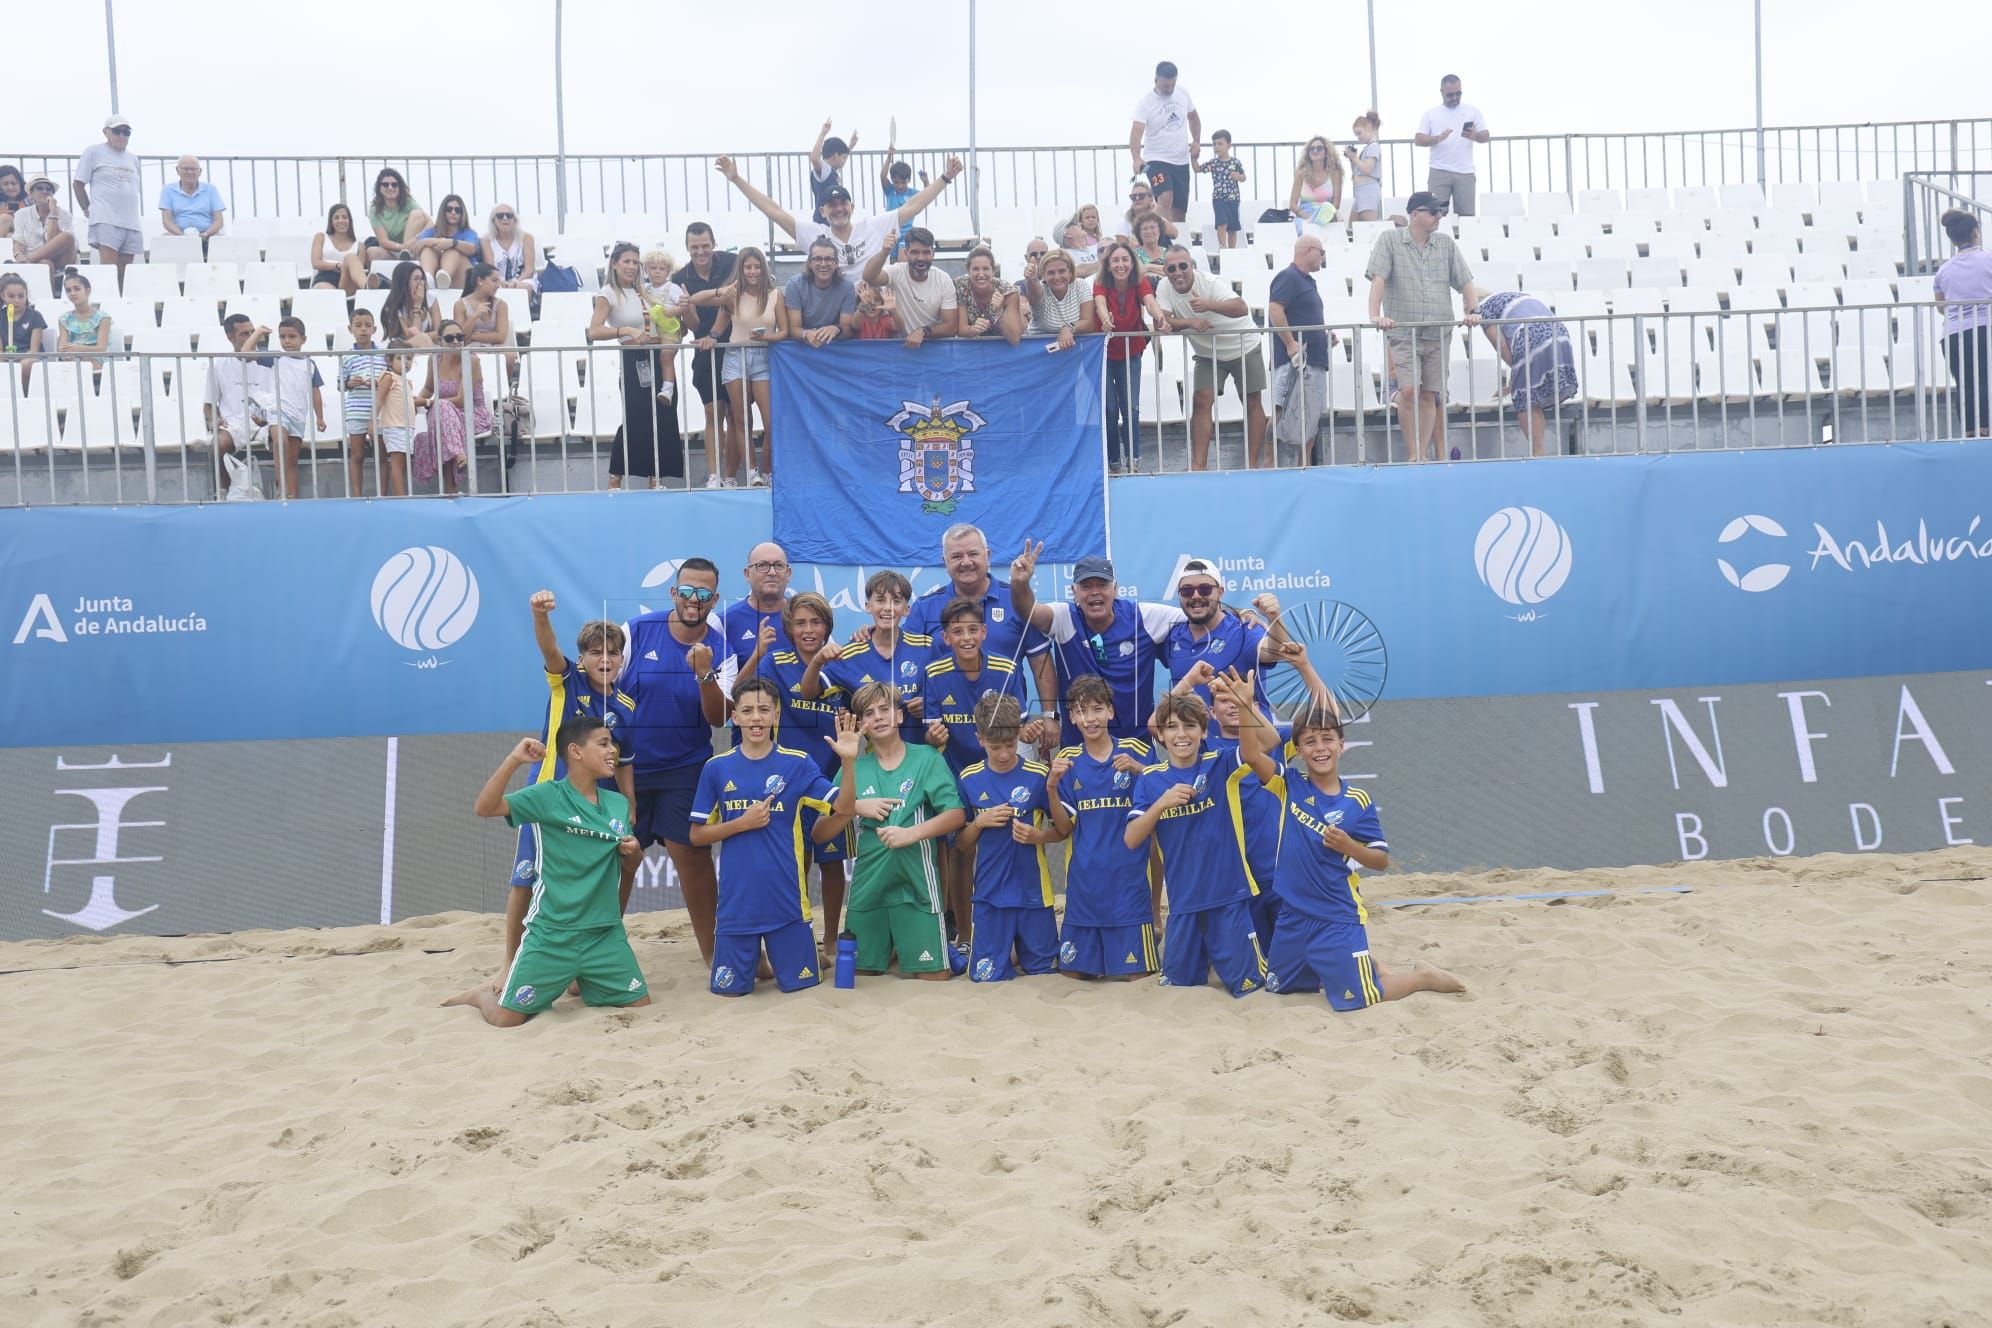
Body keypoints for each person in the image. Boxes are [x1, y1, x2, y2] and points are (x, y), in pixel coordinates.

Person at [1238, 699, 1465, 1009]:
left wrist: (1350, 847)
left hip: (1336, 917)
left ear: (1341, 745)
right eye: (1310, 741)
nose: (1320, 747)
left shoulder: (1357, 801)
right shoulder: (1289, 784)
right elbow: (1251, 754)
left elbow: (1381, 860)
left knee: (1358, 998)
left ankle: (1422, 977)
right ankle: (1360, 963)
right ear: (1299, 751)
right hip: (1293, 915)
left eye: (1328, 738)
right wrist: (1243, 704)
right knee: (1278, 988)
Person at [441, 718, 651, 1026]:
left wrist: (634, 851)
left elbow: (630, 866)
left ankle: (580, 977)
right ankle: (481, 995)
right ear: (575, 752)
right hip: (553, 933)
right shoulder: (546, 795)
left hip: (604, 934)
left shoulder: (618, 803)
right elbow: (484, 808)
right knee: (505, 1019)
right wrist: (514, 759)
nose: (613, 751)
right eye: (604, 743)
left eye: (613, 744)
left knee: (641, 1006)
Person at [490, 591, 642, 992]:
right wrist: (539, 616)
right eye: (596, 653)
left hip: (594, 808)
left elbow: (625, 764)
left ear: (622, 659)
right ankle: (510, 961)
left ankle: (585, 964)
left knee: (591, 883)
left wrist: (631, 806)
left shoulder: (626, 705)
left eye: (613, 653)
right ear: (582, 659)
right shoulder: (566, 681)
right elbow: (548, 645)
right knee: (525, 879)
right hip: (548, 797)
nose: (605, 660)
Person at [690, 680, 861, 996]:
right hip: (735, 908)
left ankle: (780, 959)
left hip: (788, 907)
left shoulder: (797, 763)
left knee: (798, 988)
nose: (756, 718)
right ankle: (761, 962)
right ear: (735, 717)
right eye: (748, 711)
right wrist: (741, 823)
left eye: (764, 710)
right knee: (730, 993)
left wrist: (849, 762)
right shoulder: (716, 768)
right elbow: (697, 836)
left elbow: (846, 807)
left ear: (776, 715)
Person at [1122, 680, 1270, 997]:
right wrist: (1161, 803)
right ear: (1160, 734)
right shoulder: (1150, 779)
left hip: (1228, 897)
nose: (1181, 734)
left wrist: (1245, 707)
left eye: (1190, 726)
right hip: (1183, 905)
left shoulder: (1220, 763)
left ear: (1203, 732)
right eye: (1172, 727)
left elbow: (1252, 751)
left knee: (1249, 989)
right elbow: (1132, 839)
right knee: (1178, 987)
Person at [621, 556, 735, 966]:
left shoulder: (721, 647)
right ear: (674, 592)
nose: (693, 599)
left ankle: (716, 955)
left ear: (714, 599)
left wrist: (704, 674)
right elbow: (603, 689)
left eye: (703, 594)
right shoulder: (634, 632)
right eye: (686, 591)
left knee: (691, 855)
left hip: (685, 767)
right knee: (619, 858)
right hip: (626, 767)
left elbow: (720, 717)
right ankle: (596, 954)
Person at [842, 681, 967, 980]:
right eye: (869, 713)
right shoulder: (856, 767)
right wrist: (857, 806)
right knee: (860, 973)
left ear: (899, 716)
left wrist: (911, 833)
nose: (879, 717)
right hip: (868, 889)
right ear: (861, 725)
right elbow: (826, 820)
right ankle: (893, 945)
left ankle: (908, 942)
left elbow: (956, 815)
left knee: (934, 977)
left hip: (917, 888)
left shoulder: (927, 757)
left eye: (885, 709)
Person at [753, 591, 855, 949]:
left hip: (830, 779)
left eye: (816, 622)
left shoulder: (845, 663)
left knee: (832, 863)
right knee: (796, 863)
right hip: (788, 782)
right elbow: (753, 700)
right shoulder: (775, 662)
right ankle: (797, 934)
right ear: (789, 628)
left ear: (827, 625)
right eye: (800, 623)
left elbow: (869, 699)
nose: (808, 630)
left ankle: (829, 939)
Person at [1008, 547, 1186, 748]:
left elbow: (1197, 614)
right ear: (1074, 591)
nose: (1094, 592)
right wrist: (1020, 583)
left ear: (1115, 588)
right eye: (1086, 586)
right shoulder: (1065, 617)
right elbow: (1029, 611)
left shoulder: (1142, 617)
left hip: (1136, 747)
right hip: (1079, 749)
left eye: (1102, 584)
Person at [903, 522, 1059, 749]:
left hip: (1009, 731)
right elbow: (904, 657)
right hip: (949, 735)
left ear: (988, 556)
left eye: (973, 554)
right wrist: (917, 696)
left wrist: (1049, 714)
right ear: (945, 562)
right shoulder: (925, 608)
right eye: (956, 556)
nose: (966, 562)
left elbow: (1040, 660)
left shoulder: (1018, 600)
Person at [1046, 676, 1158, 980]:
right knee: (1073, 975)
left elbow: (1166, 796)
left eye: (1096, 709)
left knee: (1139, 977)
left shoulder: (1136, 750)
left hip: (1129, 887)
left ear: (1110, 711)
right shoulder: (1067, 760)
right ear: (1071, 717)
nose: (1089, 718)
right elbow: (1063, 827)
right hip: (1084, 888)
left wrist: (1140, 770)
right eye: (1081, 712)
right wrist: (1052, 788)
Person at [715, 152, 962, 285]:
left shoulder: (872, 226)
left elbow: (914, 205)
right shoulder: (815, 234)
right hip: (835, 309)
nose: (838, 209)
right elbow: (774, 211)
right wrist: (736, 179)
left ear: (852, 207)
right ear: (822, 211)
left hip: (873, 305)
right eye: (831, 205)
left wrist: (946, 178)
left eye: (843, 203)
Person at [956, 693, 1065, 983]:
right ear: (980, 739)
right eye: (994, 747)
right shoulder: (969, 778)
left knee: (1045, 973)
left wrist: (1037, 836)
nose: (1003, 754)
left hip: (1034, 896)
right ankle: (1003, 950)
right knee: (985, 978)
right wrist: (979, 823)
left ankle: (1017, 951)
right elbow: (961, 844)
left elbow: (1064, 830)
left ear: (1019, 735)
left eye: (1009, 745)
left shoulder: (1038, 774)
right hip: (990, 897)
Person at [1367, 191, 1479, 462]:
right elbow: (1378, 279)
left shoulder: (1446, 244)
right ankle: (1414, 454)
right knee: (1407, 391)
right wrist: (1374, 315)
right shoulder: (1389, 240)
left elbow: (1465, 281)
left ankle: (1421, 455)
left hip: (1438, 332)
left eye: (1440, 212)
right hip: (1404, 332)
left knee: (1430, 393)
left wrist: (1473, 309)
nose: (1439, 216)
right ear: (1415, 214)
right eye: (1433, 212)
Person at [1153, 244, 1268, 469]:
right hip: (1208, 354)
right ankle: (1198, 466)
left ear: (1192, 266)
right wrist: (1190, 322)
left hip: (1243, 346)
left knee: (1252, 402)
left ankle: (1253, 464)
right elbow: (1164, 321)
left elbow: (1242, 308)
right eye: (1172, 268)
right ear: (1165, 271)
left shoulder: (1209, 282)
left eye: (1183, 266)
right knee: (1201, 400)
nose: (1178, 272)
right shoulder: (1164, 288)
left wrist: (1209, 305)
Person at [802, 570, 933, 745]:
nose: (888, 607)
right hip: (877, 757)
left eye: (896, 601)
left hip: (922, 754)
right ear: (867, 606)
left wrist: (929, 705)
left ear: (907, 609)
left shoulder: (926, 647)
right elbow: (808, 693)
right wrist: (818, 661)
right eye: (880, 600)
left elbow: (949, 692)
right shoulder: (850, 655)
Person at [591, 241, 683, 489]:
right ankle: (615, 477)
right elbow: (594, 331)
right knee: (635, 417)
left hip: (658, 357)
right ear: (615, 264)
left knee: (663, 416)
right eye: (626, 261)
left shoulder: (645, 291)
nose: (631, 267)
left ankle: (656, 477)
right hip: (634, 360)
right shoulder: (608, 293)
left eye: (635, 262)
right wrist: (624, 330)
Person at [700, 244, 784, 484]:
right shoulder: (731, 295)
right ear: (741, 269)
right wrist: (722, 290)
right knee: (741, 419)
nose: (753, 271)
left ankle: (768, 470)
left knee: (770, 420)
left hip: (765, 358)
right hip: (736, 357)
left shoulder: (775, 294)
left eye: (757, 266)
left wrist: (766, 338)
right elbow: (699, 300)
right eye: (748, 267)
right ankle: (752, 471)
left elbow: (785, 331)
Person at [1474, 290, 1579, 455]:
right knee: (1533, 394)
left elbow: (1500, 344)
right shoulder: (1513, 296)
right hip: (1559, 332)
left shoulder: (1483, 308)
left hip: (1532, 335)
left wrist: (1516, 372)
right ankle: (1540, 451)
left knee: (1525, 398)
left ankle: (1538, 451)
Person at [1093, 241, 1166, 471]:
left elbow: (1150, 302)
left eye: (1125, 259)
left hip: (1130, 351)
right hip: (1105, 352)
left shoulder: (1140, 282)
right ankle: (1114, 461)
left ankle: (1134, 460)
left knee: (1130, 407)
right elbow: (1100, 304)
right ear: (1108, 264)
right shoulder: (1100, 282)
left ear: (1132, 263)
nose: (1120, 264)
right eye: (1115, 260)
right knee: (1110, 410)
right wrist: (1105, 319)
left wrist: (1160, 318)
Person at [679, 223, 738, 486]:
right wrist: (688, 307)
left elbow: (734, 300)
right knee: (713, 413)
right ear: (687, 248)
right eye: (694, 247)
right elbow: (690, 326)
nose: (700, 251)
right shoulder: (679, 278)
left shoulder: (733, 263)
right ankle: (714, 475)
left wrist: (700, 298)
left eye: (705, 245)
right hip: (704, 351)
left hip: (736, 346)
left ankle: (732, 475)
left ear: (714, 243)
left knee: (736, 415)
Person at [1269, 235, 1332, 460]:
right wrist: (1290, 343)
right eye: (1321, 252)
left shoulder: (1306, 280)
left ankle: (1304, 463)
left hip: (1313, 358)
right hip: (1294, 360)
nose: (1323, 257)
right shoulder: (1289, 277)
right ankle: (1268, 462)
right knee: (1281, 409)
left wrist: (1324, 335)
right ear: (1308, 251)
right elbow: (1275, 310)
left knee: (1311, 412)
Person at [412, 320, 491, 495]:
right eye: (450, 338)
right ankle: (458, 458)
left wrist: (428, 403)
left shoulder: (471, 361)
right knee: (438, 419)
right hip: (444, 415)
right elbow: (429, 388)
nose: (456, 341)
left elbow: (462, 400)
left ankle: (450, 487)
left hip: (471, 415)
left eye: (460, 337)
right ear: (440, 340)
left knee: (441, 410)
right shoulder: (435, 359)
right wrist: (415, 400)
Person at [1934, 209, 1992, 438]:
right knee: (1987, 379)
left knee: (1966, 383)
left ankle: (1970, 431)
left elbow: (1941, 306)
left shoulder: (1944, 270)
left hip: (1954, 333)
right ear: (1976, 233)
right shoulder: (1988, 258)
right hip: (1986, 326)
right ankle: (1988, 429)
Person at [202, 314, 274, 499]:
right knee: (218, 444)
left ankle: (283, 493)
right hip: (235, 423)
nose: (252, 337)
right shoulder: (219, 366)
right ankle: (224, 493)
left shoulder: (270, 361)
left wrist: (269, 418)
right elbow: (209, 406)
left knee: (282, 438)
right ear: (230, 337)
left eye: (253, 332)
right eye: (244, 334)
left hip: (268, 421)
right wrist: (214, 420)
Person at [339, 308, 402, 497]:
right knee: (357, 454)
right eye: (358, 326)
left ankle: (382, 494)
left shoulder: (383, 355)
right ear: (350, 329)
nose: (363, 329)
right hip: (356, 411)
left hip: (381, 411)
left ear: (374, 329)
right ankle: (357, 496)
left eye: (367, 325)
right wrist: (350, 383)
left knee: (381, 455)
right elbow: (340, 384)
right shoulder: (347, 356)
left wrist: (379, 383)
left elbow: (391, 378)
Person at [1129, 60, 1200, 224]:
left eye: (1171, 85)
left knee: (1179, 212)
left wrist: (1196, 141)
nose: (1168, 89)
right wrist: (1136, 157)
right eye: (1164, 86)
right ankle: (1143, 229)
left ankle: (1174, 244)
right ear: (1156, 81)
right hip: (1156, 159)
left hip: (1180, 160)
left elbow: (1194, 117)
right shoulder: (1145, 102)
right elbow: (1136, 132)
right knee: (1165, 197)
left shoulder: (1182, 93)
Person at [73, 117, 143, 285]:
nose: (122, 135)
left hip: (131, 221)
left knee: (124, 274)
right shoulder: (93, 151)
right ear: (106, 132)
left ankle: (121, 305)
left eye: (126, 132)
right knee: (109, 271)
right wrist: (87, 209)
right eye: (117, 131)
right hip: (106, 218)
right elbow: (78, 184)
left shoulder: (133, 158)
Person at [861, 228, 956, 348]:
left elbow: (951, 327)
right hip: (900, 348)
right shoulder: (896, 272)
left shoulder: (943, 279)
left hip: (932, 348)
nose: (921, 258)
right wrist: (884, 252)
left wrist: (923, 331)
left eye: (926, 252)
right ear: (906, 253)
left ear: (933, 253)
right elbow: (869, 276)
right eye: (915, 252)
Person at [267, 317, 327, 499]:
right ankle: (281, 490)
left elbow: (315, 391)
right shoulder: (275, 358)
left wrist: (319, 417)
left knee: (292, 459)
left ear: (303, 339)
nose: (287, 341)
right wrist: (258, 333)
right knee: (279, 442)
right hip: (278, 410)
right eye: (282, 337)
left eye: (292, 336)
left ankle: (291, 497)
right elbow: (245, 353)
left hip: (298, 414)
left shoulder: (309, 363)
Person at [341, 168, 430, 291]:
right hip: (393, 250)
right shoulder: (374, 209)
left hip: (412, 249)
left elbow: (430, 224)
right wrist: (402, 247)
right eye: (385, 184)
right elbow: (384, 241)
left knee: (417, 214)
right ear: (379, 188)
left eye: (394, 184)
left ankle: (408, 257)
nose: (390, 187)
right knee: (371, 252)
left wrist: (415, 240)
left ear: (400, 187)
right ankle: (381, 285)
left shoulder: (409, 202)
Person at [1416, 75, 1490, 217]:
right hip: (1439, 170)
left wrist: (1475, 135)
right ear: (1442, 92)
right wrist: (1437, 138)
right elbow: (1418, 139)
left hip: (1465, 172)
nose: (1455, 97)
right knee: (1436, 215)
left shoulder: (1472, 110)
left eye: (1458, 93)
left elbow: (1486, 136)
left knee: (1467, 217)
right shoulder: (1431, 114)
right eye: (1450, 95)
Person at [724, 542, 795, 669]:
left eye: (779, 565)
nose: (772, 572)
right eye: (762, 565)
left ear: (788, 573)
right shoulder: (725, 622)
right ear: (747, 574)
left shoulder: (807, 619)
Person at [783, 235, 858, 349]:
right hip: (802, 348)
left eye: (828, 259)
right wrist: (807, 334)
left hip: (833, 347)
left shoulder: (847, 288)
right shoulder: (795, 285)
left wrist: (836, 329)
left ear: (836, 263)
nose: (823, 264)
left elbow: (847, 329)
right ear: (810, 263)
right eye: (817, 259)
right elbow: (794, 329)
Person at [12, 174, 78, 294]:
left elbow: (52, 241)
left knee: (67, 237)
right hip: (39, 260)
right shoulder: (22, 214)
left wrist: (53, 212)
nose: (44, 191)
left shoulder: (64, 214)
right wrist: (18, 254)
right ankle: (50, 300)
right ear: (31, 194)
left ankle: (28, 260)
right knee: (45, 263)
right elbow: (19, 241)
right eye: (40, 188)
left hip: (61, 258)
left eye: (48, 189)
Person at [1021, 249, 1098, 351]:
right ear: (1043, 275)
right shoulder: (1040, 289)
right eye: (1051, 273)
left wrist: (1068, 328)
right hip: (1037, 351)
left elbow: (1089, 323)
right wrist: (1031, 279)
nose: (1057, 277)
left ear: (1070, 272)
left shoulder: (1080, 285)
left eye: (1062, 271)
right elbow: (1034, 290)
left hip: (1069, 351)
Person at [454, 261, 517, 379]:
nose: (498, 285)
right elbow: (459, 338)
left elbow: (501, 337)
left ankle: (504, 391)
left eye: (498, 281)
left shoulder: (501, 305)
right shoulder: (460, 305)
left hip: (493, 347)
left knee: (509, 356)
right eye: (494, 280)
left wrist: (474, 336)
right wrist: (474, 317)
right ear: (480, 281)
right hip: (470, 349)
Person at [953, 245, 1023, 346]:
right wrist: (973, 329)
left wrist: (999, 313)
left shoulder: (1008, 291)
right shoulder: (960, 286)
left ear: (993, 270)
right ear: (968, 270)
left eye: (986, 269)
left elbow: (1015, 339)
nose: (981, 274)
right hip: (972, 348)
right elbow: (961, 330)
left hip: (1002, 347)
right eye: (976, 269)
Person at [372, 341, 418, 491]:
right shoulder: (389, 377)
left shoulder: (407, 382)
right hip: (394, 426)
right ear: (389, 360)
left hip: (407, 427)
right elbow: (378, 400)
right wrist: (371, 422)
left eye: (409, 359)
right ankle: (401, 497)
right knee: (397, 464)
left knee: (403, 464)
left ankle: (402, 493)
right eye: (400, 358)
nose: (405, 362)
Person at [412, 193, 479, 290]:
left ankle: (444, 277)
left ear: (462, 213)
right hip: (435, 273)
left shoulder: (469, 233)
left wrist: (452, 243)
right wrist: (432, 242)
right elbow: (415, 249)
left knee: (453, 251)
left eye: (457, 210)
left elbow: (472, 248)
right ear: (443, 212)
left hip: (463, 279)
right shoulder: (432, 231)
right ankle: (428, 279)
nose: (453, 212)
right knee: (427, 250)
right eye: (449, 209)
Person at [157, 156, 226, 247]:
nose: (190, 172)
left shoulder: (211, 189)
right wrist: (183, 236)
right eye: (186, 168)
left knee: (222, 243)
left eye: (193, 169)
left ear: (200, 172)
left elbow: (219, 221)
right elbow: (167, 221)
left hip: (208, 235)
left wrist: (205, 234)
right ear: (177, 170)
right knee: (162, 242)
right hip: (179, 234)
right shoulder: (168, 189)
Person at [1198, 130, 1247, 248]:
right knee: (1222, 222)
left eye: (1220, 144)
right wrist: (1194, 158)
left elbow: (1244, 177)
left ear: (1229, 145)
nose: (1216, 147)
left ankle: (1232, 250)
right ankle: (1222, 246)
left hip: (1233, 199)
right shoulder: (1213, 163)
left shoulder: (1236, 162)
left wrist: (1238, 176)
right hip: (1218, 198)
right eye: (1214, 144)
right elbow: (1198, 169)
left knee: (1233, 227)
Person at [1289, 135, 1344, 234]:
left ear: (1327, 152)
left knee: (1327, 208)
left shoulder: (1335, 173)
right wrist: (1307, 216)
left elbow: (1336, 204)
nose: (1315, 151)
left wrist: (1319, 216)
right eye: (1312, 149)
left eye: (1319, 148)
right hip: (1304, 216)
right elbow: (1293, 204)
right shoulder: (1301, 173)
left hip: (1326, 215)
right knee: (1305, 228)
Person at [808, 118, 859, 224]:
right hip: (824, 223)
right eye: (843, 157)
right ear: (835, 156)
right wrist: (823, 133)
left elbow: (841, 161)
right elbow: (814, 158)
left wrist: (851, 145)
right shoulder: (824, 170)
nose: (844, 161)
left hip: (830, 219)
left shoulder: (831, 170)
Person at [1, 273, 47, 389]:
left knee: (25, 364)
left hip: (31, 359)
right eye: (11, 296)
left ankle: (24, 397)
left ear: (26, 295)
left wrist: (15, 358)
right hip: (7, 358)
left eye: (21, 296)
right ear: (2, 295)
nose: (17, 300)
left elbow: (34, 350)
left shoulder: (35, 316)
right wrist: (6, 356)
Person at [482, 203, 538, 297]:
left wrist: (515, 281)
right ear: (493, 220)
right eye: (500, 216)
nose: (505, 218)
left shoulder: (527, 238)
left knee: (522, 287)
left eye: (509, 215)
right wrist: (500, 281)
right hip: (496, 279)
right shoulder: (486, 240)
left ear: (514, 220)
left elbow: (529, 270)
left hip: (522, 279)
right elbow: (489, 269)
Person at [379, 261, 440, 347]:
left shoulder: (431, 298)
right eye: (416, 279)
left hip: (429, 348)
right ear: (404, 282)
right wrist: (417, 305)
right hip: (404, 352)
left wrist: (424, 336)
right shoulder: (392, 307)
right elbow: (411, 337)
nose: (421, 283)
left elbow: (440, 333)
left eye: (422, 278)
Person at [55, 268, 112, 357]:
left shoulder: (102, 318)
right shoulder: (64, 319)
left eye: (77, 289)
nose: (72, 293)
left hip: (97, 359)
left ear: (88, 291)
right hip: (73, 359)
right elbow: (62, 348)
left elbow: (102, 349)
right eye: (68, 290)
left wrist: (80, 349)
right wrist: (66, 355)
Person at [312, 203, 362, 289]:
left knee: (351, 258)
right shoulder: (321, 237)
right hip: (326, 277)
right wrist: (338, 266)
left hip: (348, 281)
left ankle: (366, 286)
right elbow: (316, 263)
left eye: (344, 217)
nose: (341, 220)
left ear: (350, 220)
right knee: (323, 288)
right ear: (331, 221)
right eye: (336, 218)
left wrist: (345, 267)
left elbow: (359, 271)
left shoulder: (359, 245)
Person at [878, 147, 918, 255]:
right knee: (892, 259)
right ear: (892, 180)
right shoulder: (890, 191)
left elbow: (926, 197)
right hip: (891, 232)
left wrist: (926, 181)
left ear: (909, 180)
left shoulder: (913, 193)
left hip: (907, 234)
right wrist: (889, 156)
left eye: (903, 182)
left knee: (904, 259)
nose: (899, 185)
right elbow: (882, 176)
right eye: (896, 182)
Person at [1346, 112, 1383, 221]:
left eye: (1359, 133)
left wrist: (1355, 158)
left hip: (1368, 190)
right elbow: (1357, 170)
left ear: (1368, 128)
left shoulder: (1374, 147)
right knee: (1353, 227)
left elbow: (1367, 169)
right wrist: (1352, 159)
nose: (1358, 137)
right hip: (1360, 191)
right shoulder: (1367, 148)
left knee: (1367, 227)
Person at [1128, 213, 1172, 280]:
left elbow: (1173, 271)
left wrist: (1147, 267)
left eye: (1152, 227)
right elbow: (1138, 273)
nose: (1149, 231)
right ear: (1139, 233)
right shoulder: (1134, 254)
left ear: (1159, 231)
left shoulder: (1168, 252)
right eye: (1145, 229)